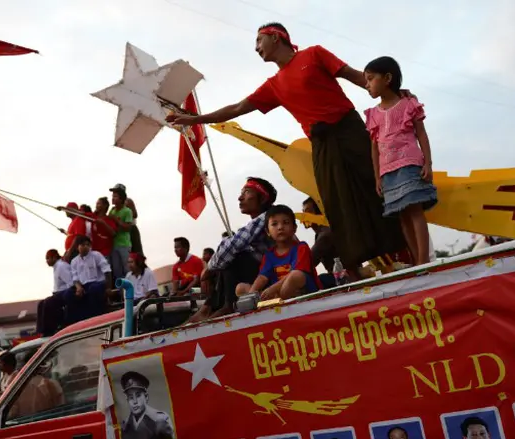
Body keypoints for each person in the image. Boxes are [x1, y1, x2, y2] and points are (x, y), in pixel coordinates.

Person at [167, 23, 406, 280]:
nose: (256, 48)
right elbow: (237, 108)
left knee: (376, 185)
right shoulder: (273, 85)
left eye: (259, 41)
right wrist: (194, 119)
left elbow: (355, 76)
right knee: (335, 203)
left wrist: (393, 95)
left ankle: (405, 253)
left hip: (350, 130)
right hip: (321, 144)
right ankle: (354, 268)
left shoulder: (314, 54)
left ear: (276, 36)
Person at [364, 56, 436, 266]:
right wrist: (377, 176)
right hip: (388, 172)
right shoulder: (373, 114)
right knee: (402, 217)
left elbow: (421, 134)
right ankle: (416, 260)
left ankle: (424, 260)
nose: (367, 85)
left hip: (410, 164)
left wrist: (428, 163)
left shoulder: (408, 104)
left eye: (370, 79)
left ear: (387, 78)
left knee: (415, 212)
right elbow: (374, 147)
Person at [188, 177, 277, 322]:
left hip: (270, 278)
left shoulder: (267, 217)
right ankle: (209, 308)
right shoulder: (258, 221)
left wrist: (208, 270)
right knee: (229, 257)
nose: (240, 197)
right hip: (260, 276)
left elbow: (232, 246)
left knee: (235, 256)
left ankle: (225, 306)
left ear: (262, 198)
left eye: (246, 192)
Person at [236, 204, 320, 300]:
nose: (280, 227)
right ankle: (261, 299)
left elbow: (296, 274)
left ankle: (273, 299)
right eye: (274, 224)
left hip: (301, 291)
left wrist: (273, 288)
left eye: (286, 222)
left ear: (294, 228)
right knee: (240, 288)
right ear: (268, 232)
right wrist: (252, 294)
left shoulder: (301, 247)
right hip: (276, 293)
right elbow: (262, 277)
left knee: (295, 275)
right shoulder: (269, 255)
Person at [67, 235, 114, 323]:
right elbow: (75, 278)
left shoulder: (96, 255)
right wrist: (78, 288)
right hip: (83, 285)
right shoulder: (74, 261)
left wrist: (108, 287)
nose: (86, 247)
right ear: (77, 247)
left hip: (98, 283)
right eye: (83, 245)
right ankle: (74, 322)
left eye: (88, 245)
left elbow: (107, 271)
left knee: (93, 289)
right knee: (69, 294)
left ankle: (95, 319)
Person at [119, 371, 174, 439]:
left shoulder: (160, 420)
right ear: (127, 400)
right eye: (131, 397)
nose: (135, 402)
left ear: (146, 397)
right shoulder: (124, 426)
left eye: (138, 396)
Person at [36, 249, 73, 336]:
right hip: (59, 293)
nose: (47, 261)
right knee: (41, 303)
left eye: (48, 258)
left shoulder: (61, 266)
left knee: (49, 302)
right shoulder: (56, 267)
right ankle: (40, 330)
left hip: (65, 292)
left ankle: (49, 330)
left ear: (54, 257)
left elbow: (71, 282)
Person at [302, 197, 337, 288]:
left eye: (308, 211)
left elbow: (309, 261)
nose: (304, 215)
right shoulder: (321, 233)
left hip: (341, 276)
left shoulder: (325, 235)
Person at [108, 183, 134, 281]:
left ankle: (132, 293)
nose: (113, 198)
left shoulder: (127, 211)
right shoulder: (112, 210)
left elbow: (128, 227)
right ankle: (122, 295)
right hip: (113, 245)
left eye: (115, 196)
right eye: (112, 196)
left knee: (128, 270)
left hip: (124, 245)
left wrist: (116, 220)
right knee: (117, 272)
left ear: (121, 198)